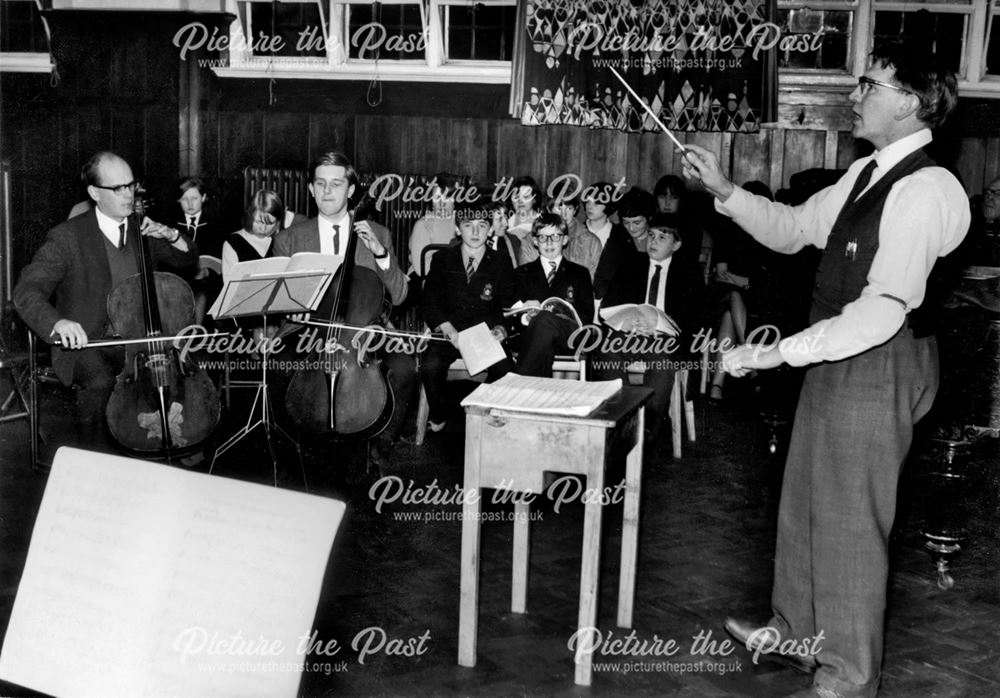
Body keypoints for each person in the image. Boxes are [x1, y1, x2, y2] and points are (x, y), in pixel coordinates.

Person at [681, 41, 970, 698]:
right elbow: (791, 228)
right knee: (809, 495)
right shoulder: (866, 173)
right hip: (841, 350)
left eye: (869, 83)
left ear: (912, 102)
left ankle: (848, 672)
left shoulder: (926, 190)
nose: (855, 94)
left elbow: (881, 314)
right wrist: (725, 190)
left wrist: (774, 351)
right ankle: (796, 630)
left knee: (849, 518)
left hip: (880, 359)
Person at [14, 151, 198, 449]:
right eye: (119, 188)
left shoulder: (144, 230)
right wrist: (57, 322)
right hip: (90, 341)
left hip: (139, 341)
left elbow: (188, 260)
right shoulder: (68, 237)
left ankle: (158, 453)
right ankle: (95, 463)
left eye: (132, 185)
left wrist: (171, 234)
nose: (130, 194)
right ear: (94, 193)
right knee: (100, 383)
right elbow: (26, 291)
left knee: (171, 380)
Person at [271, 151, 414, 464]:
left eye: (335, 184)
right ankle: (298, 447)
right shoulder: (289, 239)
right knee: (279, 360)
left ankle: (379, 445)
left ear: (351, 191)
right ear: (310, 189)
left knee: (404, 365)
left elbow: (400, 296)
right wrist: (289, 308)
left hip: (363, 333)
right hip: (308, 331)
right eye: (320, 184)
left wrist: (381, 256)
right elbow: (276, 300)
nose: (326, 191)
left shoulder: (378, 234)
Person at [591, 214, 704, 446]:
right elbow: (609, 307)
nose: (653, 241)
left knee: (663, 362)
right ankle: (618, 421)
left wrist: (663, 327)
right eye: (651, 235)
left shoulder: (688, 273)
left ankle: (645, 431)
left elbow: (697, 320)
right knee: (604, 350)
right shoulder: (631, 265)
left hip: (665, 341)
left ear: (677, 244)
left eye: (662, 237)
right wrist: (626, 323)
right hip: (630, 336)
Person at [420, 201, 515, 432]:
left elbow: (510, 306)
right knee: (430, 365)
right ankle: (441, 413)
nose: (475, 232)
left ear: (491, 229)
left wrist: (501, 330)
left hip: (485, 335)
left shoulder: (501, 261)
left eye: (482, 225)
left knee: (507, 372)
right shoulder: (443, 259)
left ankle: (475, 408)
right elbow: (430, 300)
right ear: (457, 229)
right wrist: (445, 326)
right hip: (449, 333)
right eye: (468, 225)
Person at [511, 213, 594, 377]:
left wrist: (560, 316)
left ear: (565, 240)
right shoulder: (522, 273)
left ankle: (518, 382)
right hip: (534, 335)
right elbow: (513, 316)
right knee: (542, 327)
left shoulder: (580, 273)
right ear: (535, 241)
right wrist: (526, 317)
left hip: (568, 336)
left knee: (544, 319)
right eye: (542, 237)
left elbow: (586, 315)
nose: (549, 242)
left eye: (555, 236)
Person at [177, 177, 224, 324]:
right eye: (185, 199)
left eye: (194, 198)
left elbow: (219, 260)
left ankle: (197, 337)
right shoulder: (172, 225)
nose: (190, 204)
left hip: (206, 281)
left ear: (203, 198)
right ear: (178, 200)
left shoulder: (216, 225)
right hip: (179, 279)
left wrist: (207, 272)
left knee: (202, 293)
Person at [586, 181, 640, 300]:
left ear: (608, 204)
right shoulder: (579, 230)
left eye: (597, 202)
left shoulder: (621, 234)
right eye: (588, 201)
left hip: (610, 297)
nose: (590, 206)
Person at [221, 189, 284, 281]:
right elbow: (229, 284)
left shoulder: (282, 240)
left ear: (278, 222)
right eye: (258, 222)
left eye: (270, 223)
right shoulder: (233, 244)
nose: (263, 229)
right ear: (249, 217)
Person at [408, 172, 460, 277]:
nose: (442, 204)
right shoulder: (424, 225)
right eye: (437, 197)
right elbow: (421, 268)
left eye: (447, 198)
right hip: (425, 279)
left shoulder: (462, 223)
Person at [547, 192, 601, 282]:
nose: (563, 214)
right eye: (559, 208)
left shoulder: (591, 241)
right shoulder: (534, 240)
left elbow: (595, 280)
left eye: (569, 208)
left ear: (575, 210)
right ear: (549, 209)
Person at [506, 175, 543, 265]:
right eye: (516, 197)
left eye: (526, 197)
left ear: (534, 199)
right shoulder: (506, 222)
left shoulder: (542, 223)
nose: (520, 201)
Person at [618, 187, 658, 254]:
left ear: (649, 218)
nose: (631, 228)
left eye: (637, 223)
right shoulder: (617, 238)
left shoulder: (658, 241)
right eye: (626, 222)